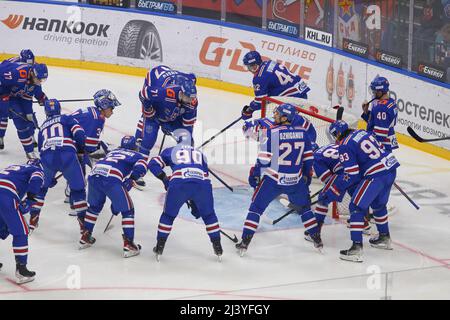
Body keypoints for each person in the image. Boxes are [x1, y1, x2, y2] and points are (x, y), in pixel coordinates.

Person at [237, 103, 322, 257]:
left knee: (255, 208)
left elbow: (263, 159)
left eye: (277, 114)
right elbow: (308, 159)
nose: (274, 115)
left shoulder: (273, 132)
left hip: (273, 181)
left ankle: (245, 242)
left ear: (285, 117)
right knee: (305, 209)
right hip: (295, 182)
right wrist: (307, 176)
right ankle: (317, 240)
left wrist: (255, 174)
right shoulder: (303, 133)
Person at [325, 120, 400, 262]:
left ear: (338, 133)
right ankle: (384, 237)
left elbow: (352, 174)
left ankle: (356, 248)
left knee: (355, 206)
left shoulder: (344, 146)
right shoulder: (361, 132)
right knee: (378, 205)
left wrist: (337, 188)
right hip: (390, 168)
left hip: (376, 176)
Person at [147, 131, 223, 261]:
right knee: (209, 215)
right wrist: (194, 202)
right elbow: (199, 177)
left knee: (168, 215)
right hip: (202, 184)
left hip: (179, 182)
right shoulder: (200, 154)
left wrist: (165, 179)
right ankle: (217, 246)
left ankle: (160, 246)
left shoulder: (171, 150)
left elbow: (152, 164)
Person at [79, 135, 148, 257]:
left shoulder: (113, 151)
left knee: (94, 207)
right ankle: (129, 244)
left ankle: (85, 236)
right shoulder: (137, 155)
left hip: (95, 174)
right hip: (111, 178)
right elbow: (142, 168)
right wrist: (132, 179)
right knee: (128, 210)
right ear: (134, 147)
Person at [29, 99, 87, 233]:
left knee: (42, 188)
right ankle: (84, 228)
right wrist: (81, 149)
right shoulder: (67, 118)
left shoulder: (43, 126)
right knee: (78, 190)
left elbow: (41, 149)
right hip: (67, 153)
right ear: (59, 109)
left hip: (47, 157)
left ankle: (33, 219)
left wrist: (49, 177)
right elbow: (80, 134)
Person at [64, 89, 120, 209]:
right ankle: (74, 199)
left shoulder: (93, 112)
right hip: (66, 146)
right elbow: (88, 146)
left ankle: (70, 190)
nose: (113, 111)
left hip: (66, 142)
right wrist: (103, 151)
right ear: (104, 105)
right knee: (81, 167)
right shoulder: (96, 118)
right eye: (112, 107)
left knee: (81, 160)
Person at [0, 158, 44, 283]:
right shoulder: (36, 169)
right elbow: (36, 179)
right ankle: (21, 270)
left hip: (3, 191)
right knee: (21, 231)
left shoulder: (13, 166)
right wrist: (30, 199)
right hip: (6, 195)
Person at [240, 50, 310, 120]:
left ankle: (300, 123)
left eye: (251, 67)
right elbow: (273, 85)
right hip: (301, 90)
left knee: (279, 121)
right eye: (248, 67)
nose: (249, 70)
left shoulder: (259, 78)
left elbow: (260, 102)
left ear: (257, 65)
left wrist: (250, 109)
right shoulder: (269, 62)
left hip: (294, 99)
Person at [0, 60, 48, 156]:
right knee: (19, 121)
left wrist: (42, 98)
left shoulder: (35, 80)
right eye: (39, 79)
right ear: (32, 73)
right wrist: (3, 96)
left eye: (42, 80)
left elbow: (36, 92)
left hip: (20, 96)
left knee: (28, 117)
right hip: (7, 95)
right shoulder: (16, 73)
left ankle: (30, 141)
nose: (40, 82)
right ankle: (29, 152)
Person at [361, 76, 398, 152]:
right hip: (387, 142)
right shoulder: (391, 102)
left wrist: (364, 137)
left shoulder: (381, 108)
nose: (374, 93)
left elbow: (380, 134)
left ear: (380, 91)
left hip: (380, 146)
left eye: (375, 91)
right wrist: (366, 112)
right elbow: (377, 121)